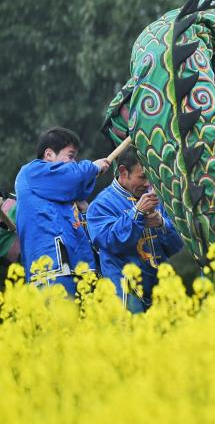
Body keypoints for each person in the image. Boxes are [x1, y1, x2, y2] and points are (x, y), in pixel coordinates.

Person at [87, 146, 184, 313]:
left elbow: (177, 245)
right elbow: (110, 241)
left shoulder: (157, 198)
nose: (148, 184)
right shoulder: (101, 205)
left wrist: (162, 224)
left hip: (161, 294)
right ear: (123, 172)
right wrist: (136, 213)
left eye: (151, 176)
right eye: (143, 177)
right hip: (125, 293)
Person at [14, 127, 110, 293]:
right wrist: (93, 167)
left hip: (79, 273)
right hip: (51, 270)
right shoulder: (31, 172)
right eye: (70, 156)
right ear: (49, 154)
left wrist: (86, 212)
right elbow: (73, 175)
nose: (74, 163)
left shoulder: (66, 194)